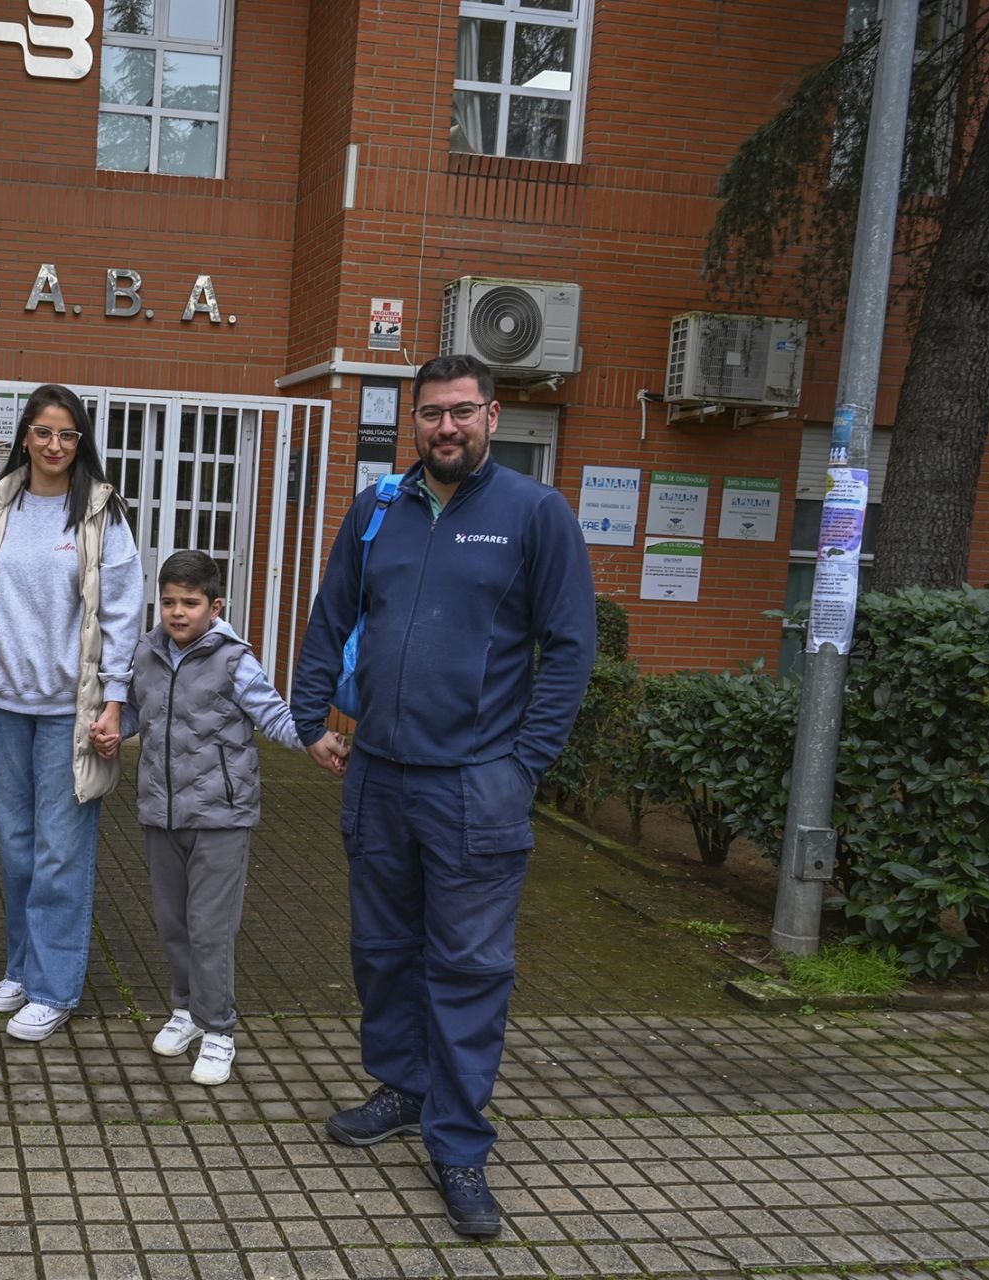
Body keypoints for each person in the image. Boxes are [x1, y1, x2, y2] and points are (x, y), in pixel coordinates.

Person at [290, 353, 596, 1240]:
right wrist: (311, 717)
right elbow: (331, 614)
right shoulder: (379, 507)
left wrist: (523, 763)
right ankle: (403, 1087)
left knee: (467, 970)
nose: (446, 429)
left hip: (476, 787)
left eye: (462, 412)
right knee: (384, 950)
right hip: (377, 776)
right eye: (431, 414)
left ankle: (459, 1145)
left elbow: (570, 647)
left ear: (493, 417)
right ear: (412, 422)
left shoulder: (536, 514)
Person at [0, 385, 145, 1043]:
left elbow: (121, 613)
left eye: (68, 435)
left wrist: (116, 702)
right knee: (22, 849)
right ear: (23, 435)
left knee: (61, 851)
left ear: (80, 442)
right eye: (43, 431)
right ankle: (25, 968)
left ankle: (56, 987)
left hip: (71, 714)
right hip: (1, 708)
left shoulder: (100, 515)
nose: (55, 446)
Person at [91, 550, 307, 1086]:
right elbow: (142, 711)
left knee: (211, 928)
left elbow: (273, 715)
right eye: (168, 602)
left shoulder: (234, 659)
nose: (177, 612)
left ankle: (219, 1031)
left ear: (215, 605)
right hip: (161, 812)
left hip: (221, 816)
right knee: (174, 925)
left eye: (190, 603)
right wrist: (119, 729)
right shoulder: (147, 653)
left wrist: (317, 740)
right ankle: (186, 1011)